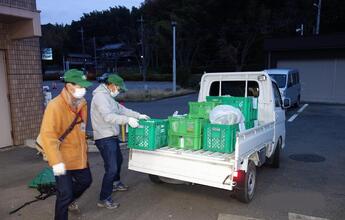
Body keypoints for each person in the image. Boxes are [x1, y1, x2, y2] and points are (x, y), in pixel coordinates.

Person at [39, 69, 93, 220]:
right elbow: (48, 136)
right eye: (80, 86)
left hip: (78, 155)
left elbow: (81, 129)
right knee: (65, 193)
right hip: (60, 157)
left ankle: (69, 201)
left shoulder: (82, 104)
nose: (84, 89)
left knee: (86, 181)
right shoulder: (54, 106)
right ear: (69, 86)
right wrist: (56, 163)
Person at [91, 74, 149, 209]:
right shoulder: (100, 97)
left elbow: (122, 110)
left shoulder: (108, 97)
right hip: (104, 137)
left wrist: (138, 115)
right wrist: (127, 120)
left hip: (111, 135)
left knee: (118, 161)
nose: (119, 90)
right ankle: (103, 198)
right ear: (110, 84)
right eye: (118, 87)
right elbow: (108, 117)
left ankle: (115, 183)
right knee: (111, 168)